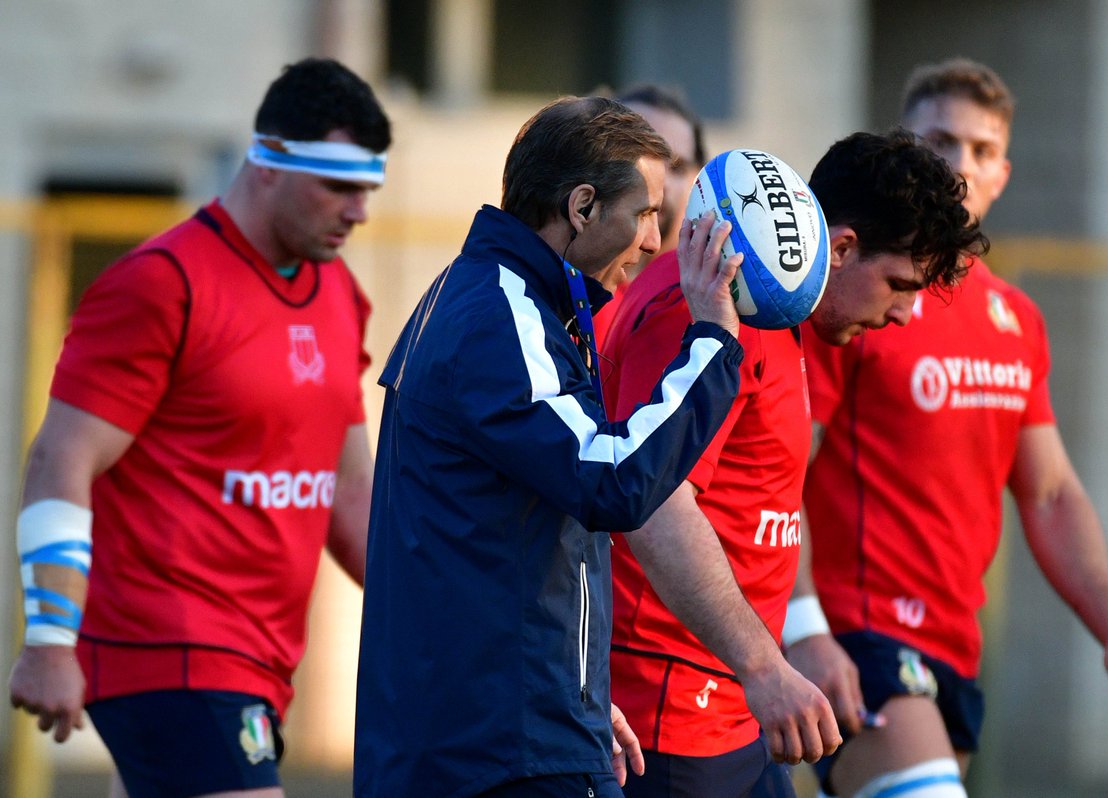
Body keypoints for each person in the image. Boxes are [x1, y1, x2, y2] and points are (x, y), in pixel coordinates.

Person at [8, 57, 391, 798]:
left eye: (367, 190)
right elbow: (60, 457)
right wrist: (50, 640)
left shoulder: (340, 292)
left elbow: (350, 490)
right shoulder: (162, 282)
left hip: (258, 660)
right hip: (164, 648)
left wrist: (451, 622)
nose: (359, 211)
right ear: (269, 163)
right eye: (338, 186)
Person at [785, 58, 1108, 798]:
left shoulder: (1014, 320)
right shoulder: (850, 298)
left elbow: (1051, 494)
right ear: (908, 152)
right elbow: (784, 472)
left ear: (1004, 174)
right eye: (940, 141)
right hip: (860, 633)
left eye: (982, 150)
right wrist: (804, 628)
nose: (960, 164)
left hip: (956, 647)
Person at [353, 95, 746, 798]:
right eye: (647, 212)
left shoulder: (502, 299)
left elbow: (511, 538)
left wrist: (583, 697)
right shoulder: (503, 313)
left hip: (500, 733)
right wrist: (713, 341)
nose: (657, 239)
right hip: (503, 754)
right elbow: (610, 481)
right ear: (583, 207)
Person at [602, 129, 988, 798]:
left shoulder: (785, 315)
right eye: (898, 285)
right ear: (839, 249)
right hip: (666, 712)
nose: (904, 314)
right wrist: (765, 667)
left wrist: (781, 651)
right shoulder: (716, 302)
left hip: (734, 707)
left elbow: (760, 502)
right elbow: (654, 505)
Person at [592, 84, 708, 346]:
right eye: (637, 159)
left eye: (677, 167)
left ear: (698, 180)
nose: (660, 181)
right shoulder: (565, 298)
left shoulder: (716, 307)